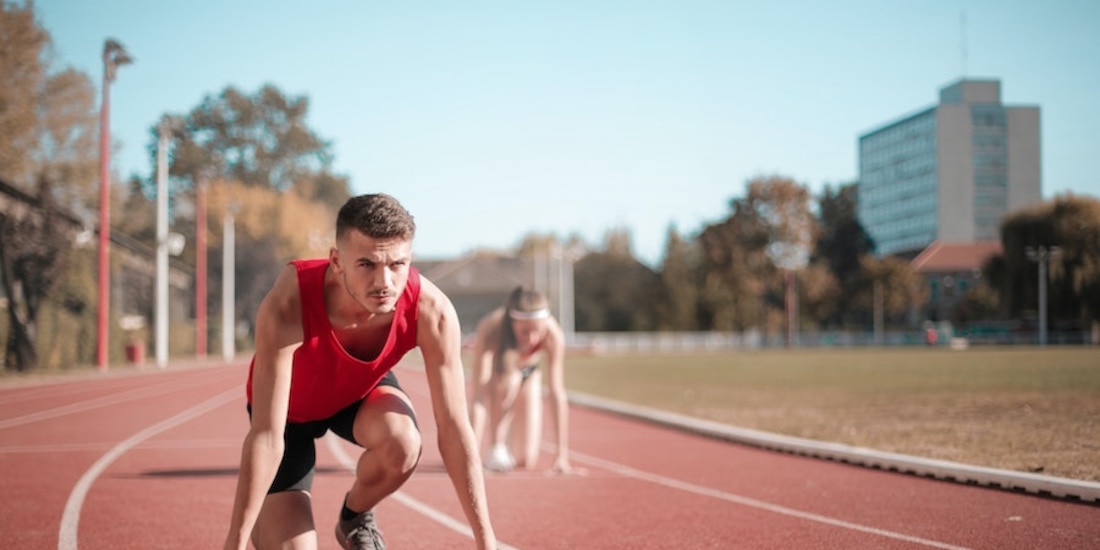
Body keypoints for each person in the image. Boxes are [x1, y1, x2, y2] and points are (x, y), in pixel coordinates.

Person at [223, 194, 496, 550]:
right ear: (336, 261)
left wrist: (485, 540)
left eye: (397, 264)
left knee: (404, 442)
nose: (384, 281)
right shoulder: (290, 301)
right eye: (366, 264)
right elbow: (266, 437)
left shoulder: (433, 312)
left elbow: (455, 430)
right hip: (289, 416)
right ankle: (266, 518)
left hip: (358, 397)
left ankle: (354, 519)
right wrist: (235, 542)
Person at [467, 286, 580, 474]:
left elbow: (557, 393)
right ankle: (496, 445)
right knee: (510, 380)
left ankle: (511, 443)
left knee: (525, 459)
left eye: (537, 331)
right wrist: (471, 457)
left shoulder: (553, 334)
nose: (532, 338)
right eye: (524, 332)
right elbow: (478, 396)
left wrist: (561, 456)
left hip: (530, 372)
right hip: (500, 374)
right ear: (512, 324)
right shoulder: (490, 328)